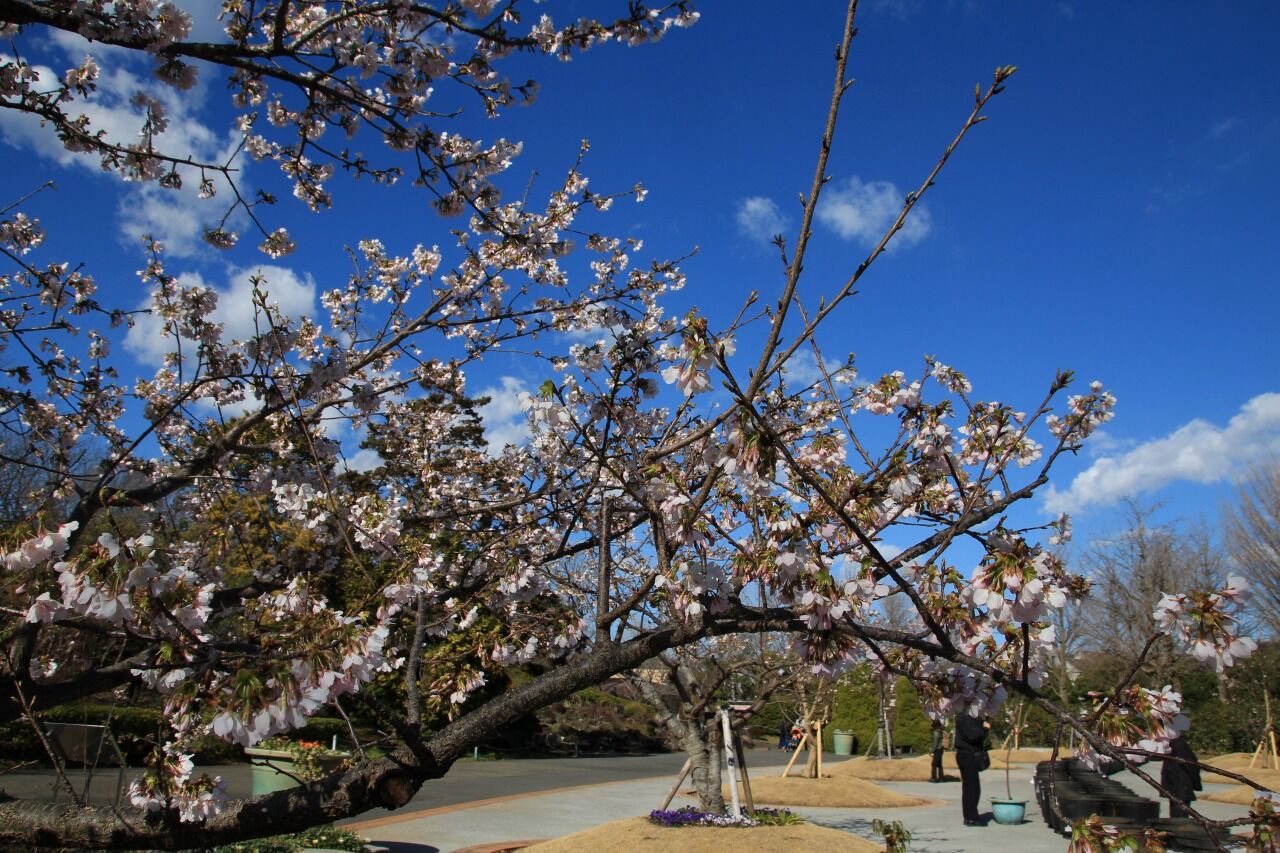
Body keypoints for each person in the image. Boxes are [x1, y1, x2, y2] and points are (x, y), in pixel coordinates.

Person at [954, 712, 991, 826]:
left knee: (973, 787)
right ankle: (970, 817)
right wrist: (984, 728)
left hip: (968, 754)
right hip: (967, 755)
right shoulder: (965, 718)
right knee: (971, 788)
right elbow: (973, 736)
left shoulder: (968, 718)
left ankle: (971, 815)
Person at [1161, 734, 1202, 819]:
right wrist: (1196, 783)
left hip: (1174, 785)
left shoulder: (1170, 743)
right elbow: (1191, 765)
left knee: (1175, 813)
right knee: (1180, 815)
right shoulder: (1179, 744)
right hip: (1181, 784)